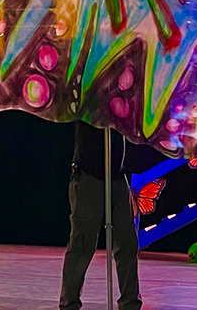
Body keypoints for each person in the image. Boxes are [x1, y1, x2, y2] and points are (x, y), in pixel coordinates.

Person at [59, 120, 141, 310]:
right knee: (82, 244)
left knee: (127, 242)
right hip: (89, 177)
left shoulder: (121, 98)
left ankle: (130, 303)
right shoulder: (88, 97)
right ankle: (69, 304)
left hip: (118, 179)